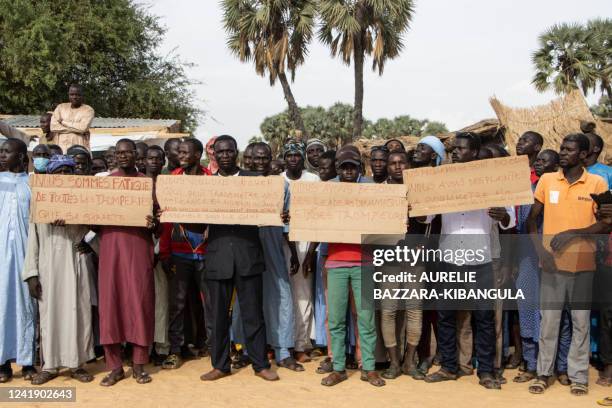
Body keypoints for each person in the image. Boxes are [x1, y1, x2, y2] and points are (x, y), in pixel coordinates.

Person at [424, 132, 515, 390]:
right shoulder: (442, 181)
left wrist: (502, 215)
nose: (454, 152)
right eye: (453, 148)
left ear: (474, 153)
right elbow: (427, 218)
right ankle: (449, 367)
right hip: (449, 258)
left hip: (480, 260)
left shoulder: (495, 182)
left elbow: (510, 218)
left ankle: (486, 371)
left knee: (484, 317)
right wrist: (416, 208)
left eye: (460, 149)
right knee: (446, 316)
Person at [527, 133, 608, 397]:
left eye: (569, 149)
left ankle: (579, 377)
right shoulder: (548, 180)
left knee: (581, 323)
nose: (562, 153)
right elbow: (531, 221)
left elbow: (606, 222)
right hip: (551, 266)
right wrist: (541, 250)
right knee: (549, 323)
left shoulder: (596, 183)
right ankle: (543, 374)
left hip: (583, 266)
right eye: (562, 148)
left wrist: (573, 233)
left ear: (583, 155)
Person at [200, 135, 278, 382]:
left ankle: (260, 364)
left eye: (229, 151)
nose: (224, 156)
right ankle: (220, 365)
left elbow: (270, 212)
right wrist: (172, 211)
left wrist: (279, 213)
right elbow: (195, 220)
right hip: (218, 257)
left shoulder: (256, 181)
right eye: (219, 152)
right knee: (218, 317)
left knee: (253, 315)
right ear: (213, 155)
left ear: (237, 153)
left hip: (248, 256)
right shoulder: (204, 185)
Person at [23, 155, 95, 385]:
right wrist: (31, 273)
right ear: (51, 176)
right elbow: (32, 239)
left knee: (78, 312)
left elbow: (96, 226)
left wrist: (87, 240)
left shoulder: (84, 200)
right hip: (47, 264)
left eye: (68, 171)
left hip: (76, 261)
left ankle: (78, 364)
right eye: (59, 171)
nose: (63, 175)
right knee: (49, 315)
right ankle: (50, 365)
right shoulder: (39, 200)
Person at [320, 144, 384, 387]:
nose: (348, 171)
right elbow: (312, 215)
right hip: (336, 261)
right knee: (336, 319)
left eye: (352, 167)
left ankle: (368, 367)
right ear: (338, 168)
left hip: (364, 262)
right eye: (344, 167)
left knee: (366, 318)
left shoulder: (371, 189)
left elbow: (385, 218)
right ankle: (338, 368)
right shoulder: (328, 190)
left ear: (359, 167)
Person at [97, 139, 157, 386]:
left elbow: (159, 220)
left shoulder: (146, 184)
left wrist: (154, 224)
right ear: (114, 156)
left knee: (139, 304)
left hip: (138, 249)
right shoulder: (106, 184)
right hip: (111, 249)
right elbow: (93, 218)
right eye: (119, 153)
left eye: (127, 152)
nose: (123, 156)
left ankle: (139, 365)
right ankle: (114, 367)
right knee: (110, 306)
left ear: (136, 155)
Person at [514, 149, 572, 384]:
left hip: (557, 258)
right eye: (537, 160)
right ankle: (530, 364)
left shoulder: (563, 192)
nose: (538, 164)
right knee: (528, 310)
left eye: (544, 161)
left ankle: (561, 366)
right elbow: (519, 227)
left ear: (557, 166)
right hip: (528, 258)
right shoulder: (525, 192)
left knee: (559, 314)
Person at [251, 142, 303, 371]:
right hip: (246, 244)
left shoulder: (281, 185)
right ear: (249, 159)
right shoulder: (242, 183)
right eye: (256, 158)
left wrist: (292, 253)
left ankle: (284, 350)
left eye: (265, 158)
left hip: (272, 240)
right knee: (248, 297)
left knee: (281, 294)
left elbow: (287, 222)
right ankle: (245, 347)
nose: (261, 162)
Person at [160, 138, 210, 369]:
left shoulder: (211, 180)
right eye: (179, 151)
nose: (180, 154)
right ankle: (175, 350)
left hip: (206, 251)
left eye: (185, 151)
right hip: (180, 251)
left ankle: (212, 346)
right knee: (178, 304)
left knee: (210, 303)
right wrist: (165, 251)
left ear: (198, 154)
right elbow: (166, 218)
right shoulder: (172, 179)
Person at [380, 151, 424, 380]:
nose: (397, 167)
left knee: (414, 310)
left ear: (408, 165)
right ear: (387, 167)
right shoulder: (380, 192)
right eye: (393, 163)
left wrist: (413, 208)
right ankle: (394, 362)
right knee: (388, 310)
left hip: (414, 257)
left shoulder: (418, 189)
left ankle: (410, 361)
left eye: (401, 163)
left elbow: (427, 219)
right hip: (389, 258)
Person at [0, 138, 37, 383]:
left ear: (22, 156)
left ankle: (27, 362)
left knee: (27, 307)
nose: (2, 155)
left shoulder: (34, 184)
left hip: (26, 254)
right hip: (1, 256)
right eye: (1, 152)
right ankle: (2, 363)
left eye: (7, 152)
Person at [282, 140, 320, 362]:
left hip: (306, 242)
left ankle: (300, 344)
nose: (293, 159)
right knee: (282, 296)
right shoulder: (277, 181)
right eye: (289, 155)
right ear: (285, 158)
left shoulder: (312, 180)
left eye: (297, 155)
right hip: (282, 243)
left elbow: (318, 215)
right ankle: (281, 342)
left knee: (303, 296)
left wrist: (310, 253)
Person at [144, 146, 172, 366]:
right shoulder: (135, 184)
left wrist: (160, 251)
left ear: (164, 161)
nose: (154, 161)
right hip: (138, 247)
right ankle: (141, 344)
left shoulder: (170, 185)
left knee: (161, 301)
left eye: (158, 158)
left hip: (163, 247)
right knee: (139, 300)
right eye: (150, 158)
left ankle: (161, 346)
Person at [50, 84, 95, 152]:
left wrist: (63, 122)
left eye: (77, 95)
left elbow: (83, 128)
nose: (74, 97)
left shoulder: (88, 110)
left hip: (79, 149)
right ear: (68, 95)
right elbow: (53, 127)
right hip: (61, 149)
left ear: (82, 95)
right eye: (72, 94)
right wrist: (76, 130)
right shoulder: (61, 107)